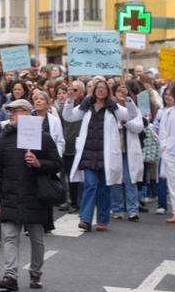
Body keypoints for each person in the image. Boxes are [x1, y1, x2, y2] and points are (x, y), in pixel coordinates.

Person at [0, 99, 63, 291]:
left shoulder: (43, 138)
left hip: (36, 197)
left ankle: (35, 274)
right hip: (11, 196)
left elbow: (57, 164)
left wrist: (39, 164)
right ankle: (10, 276)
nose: (11, 115)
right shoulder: (3, 138)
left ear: (27, 113)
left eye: (15, 111)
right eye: (10, 111)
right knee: (10, 237)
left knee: (36, 238)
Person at [62, 80, 137, 231]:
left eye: (103, 88)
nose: (100, 91)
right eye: (98, 88)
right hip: (89, 154)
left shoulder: (113, 108)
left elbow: (131, 115)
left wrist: (127, 98)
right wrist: (69, 100)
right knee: (90, 185)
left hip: (106, 156)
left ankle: (102, 221)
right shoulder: (86, 106)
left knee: (104, 188)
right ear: (94, 91)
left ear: (107, 91)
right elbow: (69, 116)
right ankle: (85, 219)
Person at [109, 83, 145, 222]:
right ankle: (117, 209)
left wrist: (125, 123)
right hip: (115, 149)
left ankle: (132, 210)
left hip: (129, 150)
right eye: (118, 90)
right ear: (113, 93)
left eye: (123, 91)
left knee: (130, 180)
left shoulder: (132, 108)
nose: (121, 93)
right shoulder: (110, 108)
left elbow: (139, 127)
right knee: (116, 179)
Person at [60, 80, 85, 211]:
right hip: (68, 146)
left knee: (83, 178)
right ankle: (73, 202)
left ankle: (82, 202)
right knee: (71, 176)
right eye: (70, 89)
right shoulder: (65, 105)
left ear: (82, 92)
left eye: (75, 90)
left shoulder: (85, 106)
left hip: (81, 146)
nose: (71, 92)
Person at [157, 87, 175, 223]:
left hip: (171, 151)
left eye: (170, 95)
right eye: (166, 95)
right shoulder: (164, 112)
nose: (167, 97)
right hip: (168, 152)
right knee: (172, 183)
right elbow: (162, 131)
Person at [32, 90, 65, 157]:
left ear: (47, 104)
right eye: (36, 99)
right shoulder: (28, 118)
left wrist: (56, 156)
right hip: (31, 156)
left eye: (42, 99)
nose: (38, 101)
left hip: (49, 158)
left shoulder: (55, 121)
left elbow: (60, 142)